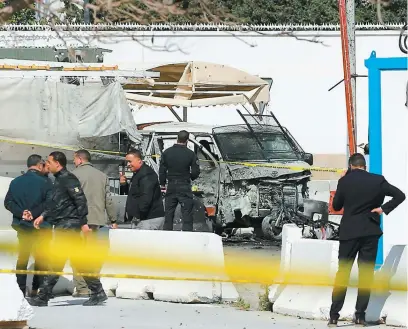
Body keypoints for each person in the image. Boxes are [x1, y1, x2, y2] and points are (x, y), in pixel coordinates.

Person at [328, 153, 406, 327]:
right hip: (370, 232)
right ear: (364, 165)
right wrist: (383, 209)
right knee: (366, 274)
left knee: (343, 272)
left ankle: (334, 316)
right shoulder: (378, 180)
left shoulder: (345, 181)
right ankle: (360, 316)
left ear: (350, 166)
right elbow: (400, 195)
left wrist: (342, 181)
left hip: (349, 233)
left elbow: (337, 206)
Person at [28, 151, 108, 307]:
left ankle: (43, 297)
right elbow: (55, 204)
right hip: (61, 224)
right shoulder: (58, 180)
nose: (47, 165)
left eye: (49, 162)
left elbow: (81, 200)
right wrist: (43, 216)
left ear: (57, 163)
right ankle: (98, 292)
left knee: (56, 261)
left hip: (68, 226)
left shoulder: (69, 179)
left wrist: (84, 223)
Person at [4, 155, 53, 297]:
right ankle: (35, 289)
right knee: (41, 257)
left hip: (22, 225)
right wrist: (34, 213)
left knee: (23, 257)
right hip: (41, 226)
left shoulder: (15, 182)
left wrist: (22, 213)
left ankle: (20, 289)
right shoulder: (46, 182)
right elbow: (49, 203)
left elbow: (8, 203)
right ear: (39, 165)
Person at [71, 149, 118, 297]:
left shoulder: (73, 175)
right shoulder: (102, 176)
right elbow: (108, 200)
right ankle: (94, 285)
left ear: (79, 159)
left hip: (78, 221)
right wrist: (113, 219)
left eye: (74, 159)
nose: (73, 162)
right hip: (97, 221)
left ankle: (82, 287)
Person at [159, 130, 200, 231]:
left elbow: (162, 170)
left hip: (171, 186)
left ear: (177, 138)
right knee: (187, 214)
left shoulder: (166, 152)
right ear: (187, 140)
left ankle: (167, 235)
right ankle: (187, 237)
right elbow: (196, 171)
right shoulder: (191, 154)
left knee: (168, 214)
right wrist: (189, 177)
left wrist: (162, 184)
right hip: (184, 186)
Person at [119, 149, 165, 230]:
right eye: (127, 162)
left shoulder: (146, 175)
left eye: (130, 161)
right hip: (144, 219)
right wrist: (124, 185)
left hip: (149, 220)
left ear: (139, 161)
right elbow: (134, 194)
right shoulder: (139, 174)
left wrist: (137, 216)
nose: (128, 164)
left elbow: (146, 199)